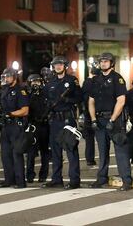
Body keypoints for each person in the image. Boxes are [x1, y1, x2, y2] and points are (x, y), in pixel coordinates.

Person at [87, 53, 133, 191]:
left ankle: (126, 180)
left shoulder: (117, 79)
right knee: (102, 151)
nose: (103, 64)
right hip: (100, 120)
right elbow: (91, 101)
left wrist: (112, 119)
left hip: (115, 120)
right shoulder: (96, 80)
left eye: (106, 61)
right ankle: (101, 178)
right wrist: (93, 119)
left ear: (111, 63)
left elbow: (121, 101)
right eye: (101, 61)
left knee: (121, 151)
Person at [42, 55, 82, 189]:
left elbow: (79, 98)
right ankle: (56, 179)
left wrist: (67, 100)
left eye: (60, 64)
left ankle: (74, 180)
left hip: (67, 119)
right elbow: (45, 100)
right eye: (55, 65)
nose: (57, 66)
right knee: (55, 151)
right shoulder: (49, 83)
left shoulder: (71, 81)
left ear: (65, 66)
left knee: (71, 149)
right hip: (54, 120)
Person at [0, 67, 29, 188]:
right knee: (5, 154)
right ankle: (9, 180)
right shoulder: (5, 90)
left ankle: (20, 181)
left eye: (8, 76)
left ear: (15, 77)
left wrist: (11, 114)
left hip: (16, 124)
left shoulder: (20, 90)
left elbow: (25, 110)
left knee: (17, 154)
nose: (6, 79)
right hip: (6, 125)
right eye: (5, 77)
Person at [25, 73, 51, 183]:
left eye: (38, 82)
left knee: (45, 152)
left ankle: (43, 175)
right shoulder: (26, 95)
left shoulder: (46, 94)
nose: (36, 84)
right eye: (33, 82)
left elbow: (50, 106)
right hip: (33, 126)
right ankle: (30, 175)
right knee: (31, 153)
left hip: (44, 125)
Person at [81, 64, 100, 166]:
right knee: (101, 137)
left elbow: (82, 97)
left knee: (89, 138)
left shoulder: (86, 82)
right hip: (98, 111)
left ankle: (89, 158)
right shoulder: (98, 81)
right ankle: (102, 157)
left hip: (87, 112)